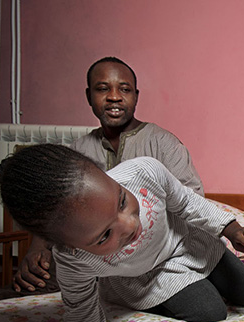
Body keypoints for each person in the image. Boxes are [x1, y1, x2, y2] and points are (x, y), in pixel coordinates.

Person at [0, 144, 244, 322]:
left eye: (122, 202)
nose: (129, 226)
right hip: (150, 276)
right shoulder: (72, 261)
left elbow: (187, 202)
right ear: (68, 247)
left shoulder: (143, 172)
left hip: (189, 243)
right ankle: (147, 296)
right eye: (104, 236)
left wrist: (232, 228)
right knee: (211, 311)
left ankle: (235, 270)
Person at [11, 56, 204, 294]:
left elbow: (192, 202)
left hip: (153, 259)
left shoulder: (163, 143)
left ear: (136, 96)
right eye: (103, 89)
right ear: (88, 96)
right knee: (31, 283)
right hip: (95, 259)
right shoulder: (78, 150)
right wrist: (37, 247)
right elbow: (54, 207)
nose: (114, 96)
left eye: (125, 89)